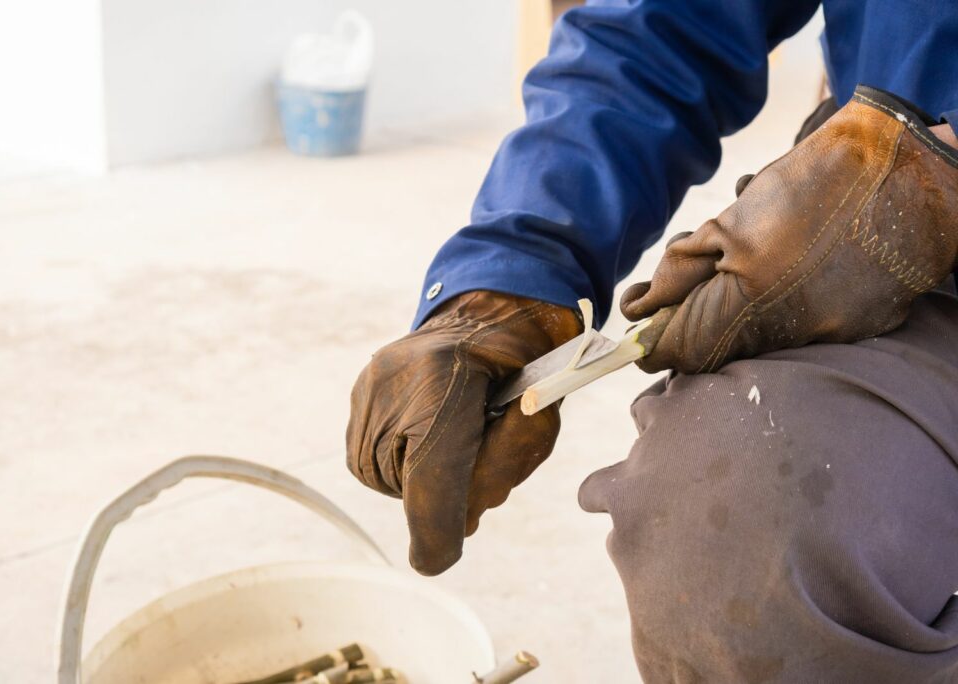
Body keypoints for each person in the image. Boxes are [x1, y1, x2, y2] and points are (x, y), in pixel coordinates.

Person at [346, 1, 958, 680]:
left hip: (928, 189)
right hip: (907, 251)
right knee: (728, 530)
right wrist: (511, 269)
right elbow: (663, 29)